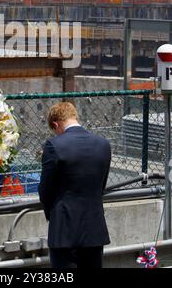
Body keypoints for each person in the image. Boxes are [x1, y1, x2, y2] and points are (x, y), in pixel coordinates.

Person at [38, 101, 111, 269]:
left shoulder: (54, 145)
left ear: (56, 124)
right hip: (94, 229)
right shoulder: (103, 145)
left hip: (64, 230)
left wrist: (54, 214)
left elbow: (45, 190)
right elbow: (101, 185)